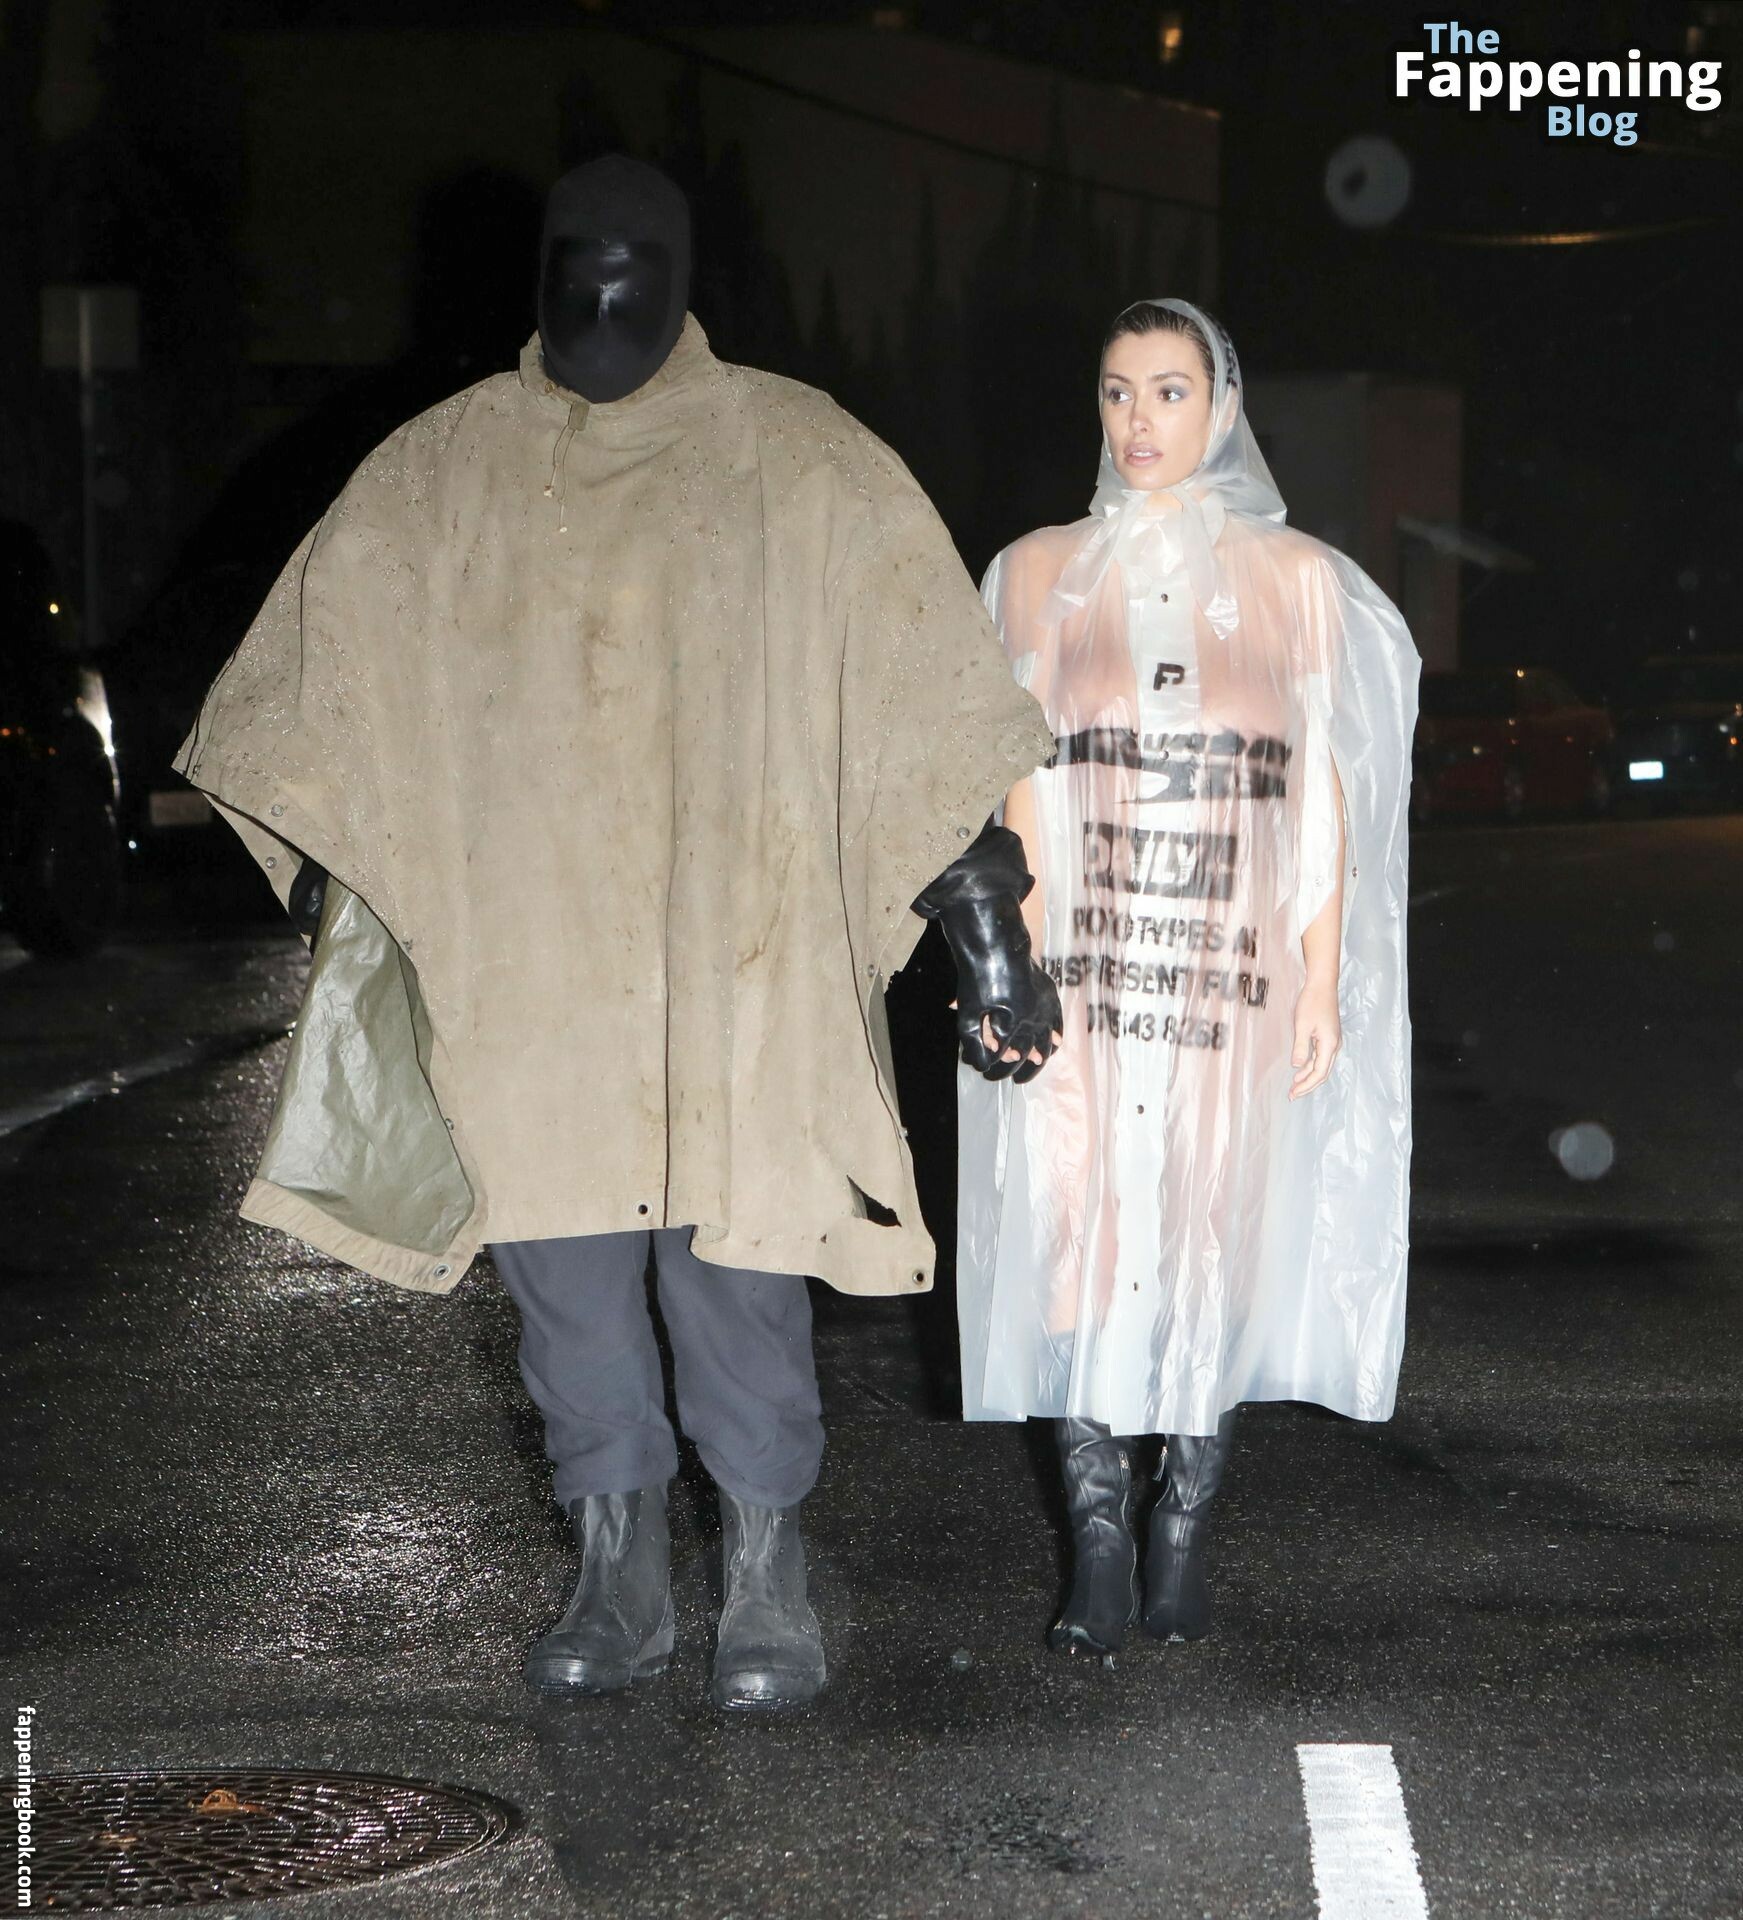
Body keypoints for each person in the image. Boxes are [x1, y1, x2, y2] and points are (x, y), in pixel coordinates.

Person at [176, 156, 1059, 1715]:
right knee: (566, 1272)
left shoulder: (804, 462)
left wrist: (989, 926)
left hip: (740, 954)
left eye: (631, 270)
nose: (603, 299)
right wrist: (347, 885)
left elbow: (923, 711)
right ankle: (619, 1570)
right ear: (541, 275)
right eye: (576, 269)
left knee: (740, 1267)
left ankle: (767, 1574)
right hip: (534, 961)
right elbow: (310, 699)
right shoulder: (439, 473)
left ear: (680, 277)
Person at [955, 297, 1419, 1658]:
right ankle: (1098, 1533)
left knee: (1215, 1226)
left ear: (1220, 406)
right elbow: (1011, 784)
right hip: (1085, 968)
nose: (1140, 419)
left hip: (1232, 970)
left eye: (1169, 390)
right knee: (1078, 1234)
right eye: (1117, 391)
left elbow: (1321, 790)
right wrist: (1011, 961)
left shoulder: (1298, 581)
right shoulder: (1036, 572)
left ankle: (1183, 1528)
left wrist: (1323, 974)